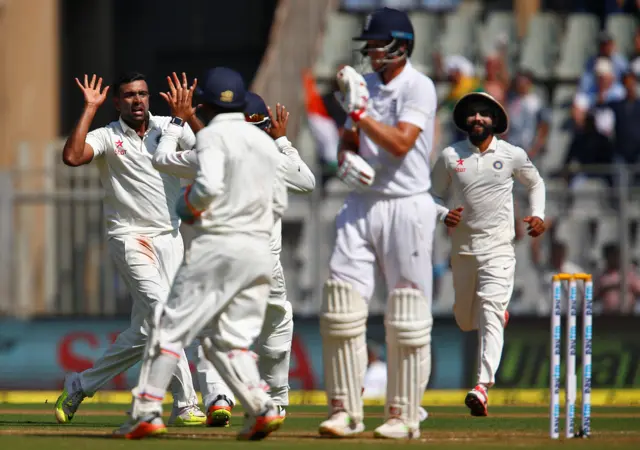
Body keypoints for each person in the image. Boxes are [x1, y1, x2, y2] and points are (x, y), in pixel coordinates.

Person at [113, 67, 288, 440]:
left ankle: (146, 410)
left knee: (168, 327)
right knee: (228, 339)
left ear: (205, 103)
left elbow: (205, 187)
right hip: (259, 253)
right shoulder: (265, 143)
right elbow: (280, 201)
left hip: (218, 248)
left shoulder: (211, 137)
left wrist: (188, 208)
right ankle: (261, 406)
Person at [151, 88, 316, 427]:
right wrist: (282, 140)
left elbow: (163, 158)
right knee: (274, 322)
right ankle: (276, 400)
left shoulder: (208, 153)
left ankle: (216, 398)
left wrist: (178, 122)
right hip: (261, 259)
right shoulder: (269, 155)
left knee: (209, 327)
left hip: (216, 254)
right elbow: (308, 181)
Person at [55, 72, 206, 426]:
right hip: (129, 236)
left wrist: (190, 116)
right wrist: (89, 109)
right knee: (164, 316)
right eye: (129, 96)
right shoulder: (108, 136)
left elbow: (213, 151)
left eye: (142, 94)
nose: (137, 101)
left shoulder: (170, 126)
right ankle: (186, 402)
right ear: (117, 101)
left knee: (144, 331)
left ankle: (81, 383)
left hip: (170, 237)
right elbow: (73, 157)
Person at [318, 7, 437, 440]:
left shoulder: (418, 87)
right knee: (341, 306)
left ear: (401, 47)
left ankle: (404, 415)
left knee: (406, 312)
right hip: (361, 203)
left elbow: (403, 143)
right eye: (367, 44)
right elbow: (349, 142)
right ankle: (346, 411)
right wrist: (346, 161)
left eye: (377, 45)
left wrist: (362, 114)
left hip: (407, 205)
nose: (369, 51)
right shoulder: (364, 87)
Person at [430, 92, 546, 416]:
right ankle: (493, 315)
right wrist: (442, 214)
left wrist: (538, 214)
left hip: (499, 248)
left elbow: (535, 183)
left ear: (495, 121)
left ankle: (482, 387)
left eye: (484, 114)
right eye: (472, 114)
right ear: (465, 121)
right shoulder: (451, 156)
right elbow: (431, 194)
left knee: (490, 310)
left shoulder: (511, 154)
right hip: (464, 251)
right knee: (466, 320)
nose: (478, 119)